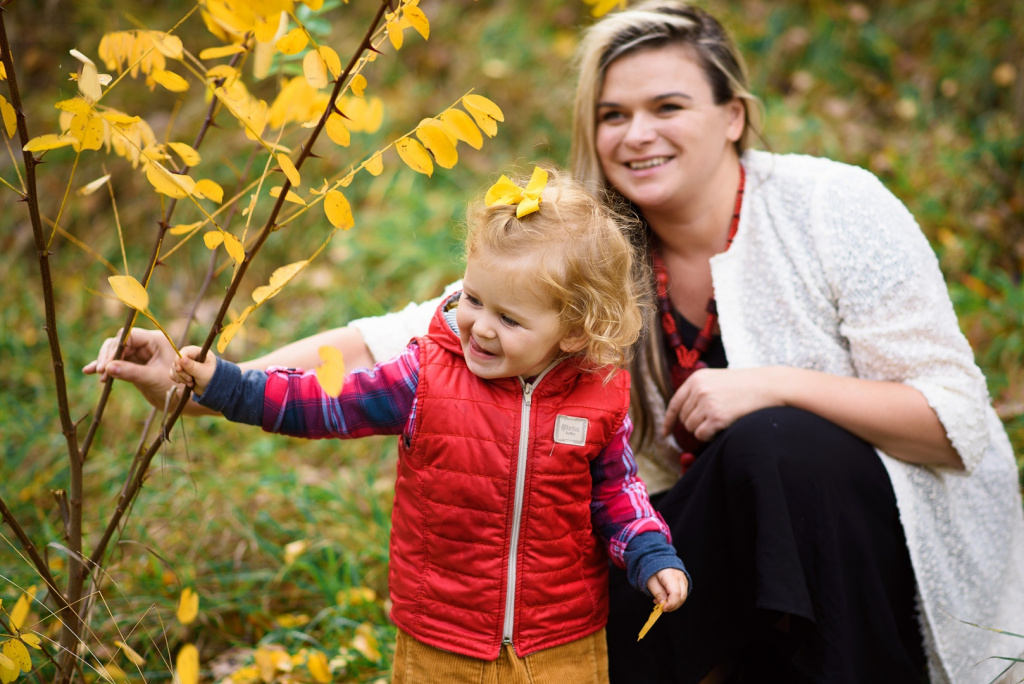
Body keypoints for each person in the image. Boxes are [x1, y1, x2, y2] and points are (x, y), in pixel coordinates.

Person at [86, 2, 1024, 682]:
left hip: (871, 561)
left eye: (667, 106)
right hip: (688, 560)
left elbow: (954, 426)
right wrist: (202, 379)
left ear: (732, 114)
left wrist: (770, 385)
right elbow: (391, 345)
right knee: (560, 633)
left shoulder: (831, 206)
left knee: (778, 445)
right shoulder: (584, 257)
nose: (636, 133)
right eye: (612, 114)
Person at [166, 167, 690, 683]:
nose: (480, 326)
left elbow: (617, 491)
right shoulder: (425, 376)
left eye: (508, 319)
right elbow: (322, 402)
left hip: (562, 644)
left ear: (574, 332)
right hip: (442, 639)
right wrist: (229, 386)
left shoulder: (598, 397)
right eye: (473, 299)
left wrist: (649, 550)